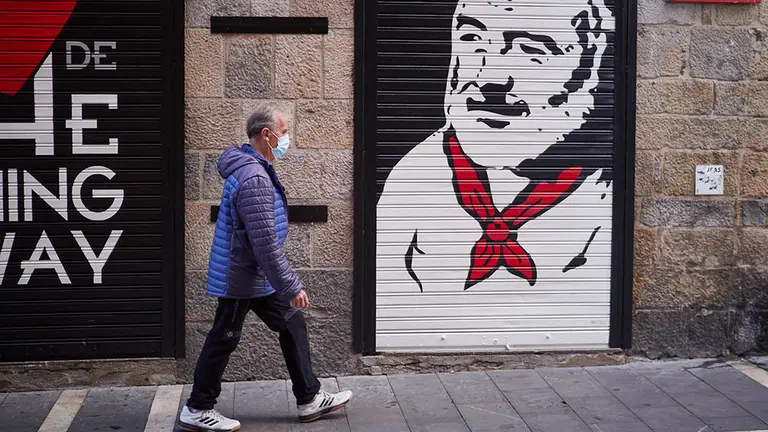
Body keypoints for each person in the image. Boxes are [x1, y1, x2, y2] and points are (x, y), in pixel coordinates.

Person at [177, 104, 352, 432]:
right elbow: (265, 245)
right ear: (266, 135)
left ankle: (309, 398)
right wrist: (291, 285)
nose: (288, 139)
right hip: (241, 276)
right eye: (284, 132)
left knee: (291, 322)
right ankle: (198, 408)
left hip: (252, 274)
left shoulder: (253, 167)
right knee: (224, 337)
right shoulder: (254, 177)